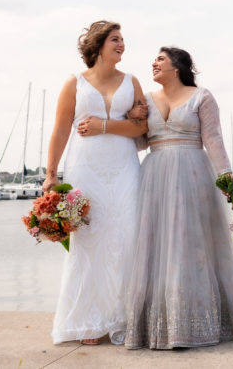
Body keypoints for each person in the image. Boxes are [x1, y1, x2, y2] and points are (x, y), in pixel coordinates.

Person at [79, 46, 233, 349]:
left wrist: (227, 179)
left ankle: (197, 322)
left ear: (177, 66)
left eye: (160, 59)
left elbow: (213, 139)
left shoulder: (202, 96)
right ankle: (157, 325)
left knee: (191, 246)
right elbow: (139, 143)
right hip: (155, 176)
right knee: (156, 245)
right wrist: (131, 121)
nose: (154, 63)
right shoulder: (146, 100)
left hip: (193, 175)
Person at [43, 21, 148, 345]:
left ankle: (124, 317)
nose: (122, 45)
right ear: (98, 45)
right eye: (115, 40)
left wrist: (105, 125)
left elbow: (142, 130)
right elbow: (61, 131)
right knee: (89, 241)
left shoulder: (132, 82)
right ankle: (89, 321)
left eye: (123, 40)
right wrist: (51, 174)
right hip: (85, 168)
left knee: (126, 237)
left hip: (124, 168)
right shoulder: (74, 83)